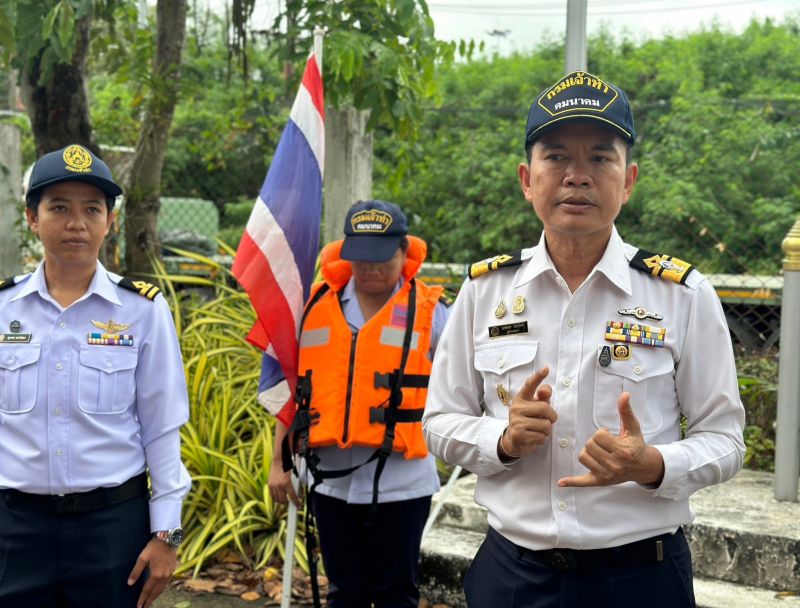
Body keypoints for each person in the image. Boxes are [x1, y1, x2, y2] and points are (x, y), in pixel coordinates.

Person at [422, 71, 746, 608]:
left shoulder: (683, 296)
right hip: (512, 577)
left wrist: (653, 465)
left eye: (600, 158)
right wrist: (501, 440)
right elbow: (438, 421)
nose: (577, 176)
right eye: (556, 158)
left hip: (642, 578)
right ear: (527, 179)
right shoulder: (485, 292)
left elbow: (726, 439)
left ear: (629, 179)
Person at [0, 144, 191, 608]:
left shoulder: (142, 310)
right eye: (58, 207)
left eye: (92, 209)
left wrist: (167, 534)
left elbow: (162, 427)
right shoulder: (4, 309)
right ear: (32, 217)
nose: (76, 223)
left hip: (112, 529)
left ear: (111, 221)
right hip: (15, 528)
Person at [268, 199, 450, 608]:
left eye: (381, 259)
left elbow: (464, 386)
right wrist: (278, 462)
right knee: (344, 591)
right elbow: (290, 392)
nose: (369, 270)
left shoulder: (433, 313)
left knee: (396, 593)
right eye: (360, 259)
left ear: (405, 251)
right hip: (329, 479)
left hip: (403, 484)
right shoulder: (313, 306)